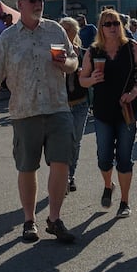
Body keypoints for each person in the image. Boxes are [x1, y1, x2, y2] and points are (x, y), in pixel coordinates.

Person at [0, 0, 78, 244]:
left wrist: (66, 63)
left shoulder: (55, 30)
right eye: (33, 0)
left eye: (41, 0)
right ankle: (29, 220)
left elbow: (73, 61)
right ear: (20, 5)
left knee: (61, 163)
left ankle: (55, 219)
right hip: (25, 112)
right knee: (27, 167)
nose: (39, 4)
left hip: (57, 107)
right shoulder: (8, 38)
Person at [79, 7, 137, 219]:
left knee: (125, 158)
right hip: (102, 111)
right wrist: (92, 80)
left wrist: (134, 91)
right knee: (103, 158)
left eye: (116, 23)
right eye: (107, 24)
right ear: (100, 27)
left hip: (127, 109)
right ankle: (109, 185)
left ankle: (125, 201)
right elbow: (82, 79)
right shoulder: (93, 51)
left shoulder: (132, 47)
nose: (112, 27)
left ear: (122, 25)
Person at [58, 17, 89, 192]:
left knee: (75, 141)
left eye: (68, 29)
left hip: (80, 103)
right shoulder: (56, 52)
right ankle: (61, 176)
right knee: (62, 143)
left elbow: (90, 74)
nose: (64, 33)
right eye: (62, 29)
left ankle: (70, 175)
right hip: (60, 105)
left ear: (75, 32)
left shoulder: (84, 53)